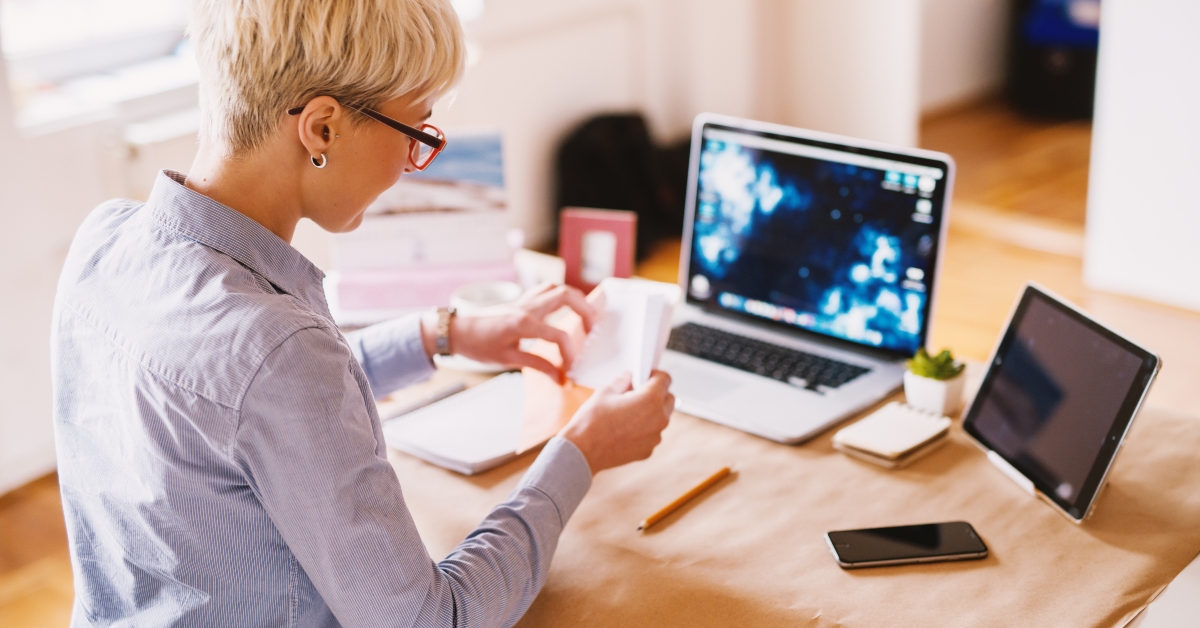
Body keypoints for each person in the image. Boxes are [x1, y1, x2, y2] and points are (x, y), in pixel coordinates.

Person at [49, 0, 674, 625]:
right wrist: (580, 453)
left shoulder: (104, 240)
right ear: (321, 128)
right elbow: (433, 620)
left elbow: (261, 417)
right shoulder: (279, 350)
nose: (413, 161)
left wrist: (441, 334)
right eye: (418, 132)